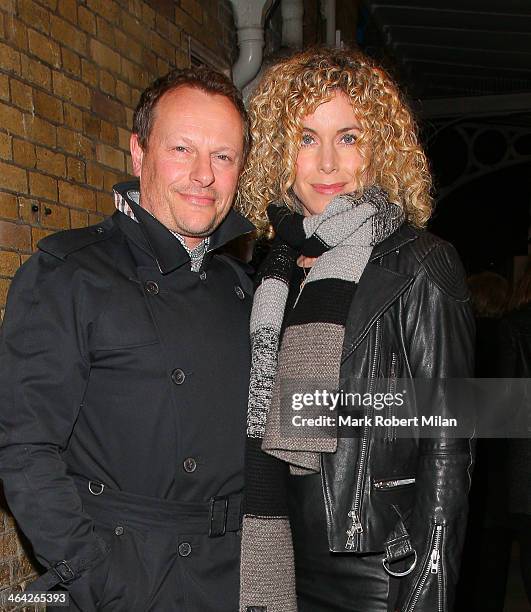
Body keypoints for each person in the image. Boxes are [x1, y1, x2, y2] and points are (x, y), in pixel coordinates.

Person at [0, 67, 256, 611]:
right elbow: (23, 447)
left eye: (223, 156)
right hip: (131, 582)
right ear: (139, 154)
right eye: (182, 148)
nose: (203, 175)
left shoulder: (245, 290)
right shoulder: (70, 276)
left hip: (238, 579)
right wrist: (94, 575)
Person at [238, 47, 475, 612]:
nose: (326, 164)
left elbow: (449, 448)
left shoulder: (419, 264)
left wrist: (426, 594)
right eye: (305, 137)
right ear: (278, 151)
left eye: (348, 137)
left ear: (380, 149)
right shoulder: (270, 273)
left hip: (377, 572)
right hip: (277, 559)